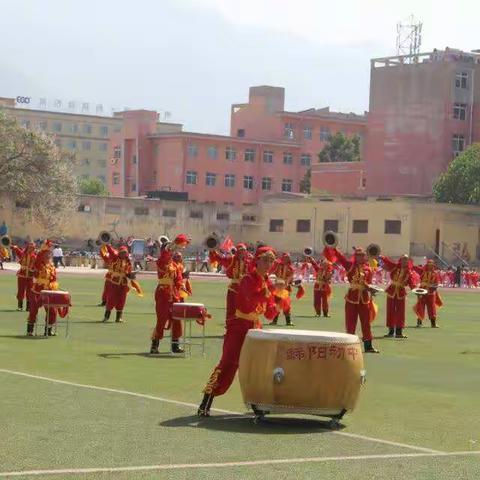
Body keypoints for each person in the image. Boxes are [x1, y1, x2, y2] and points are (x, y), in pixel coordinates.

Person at [198, 246, 277, 417]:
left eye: (271, 261)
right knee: (228, 364)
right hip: (239, 327)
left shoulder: (267, 283)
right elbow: (246, 304)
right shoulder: (247, 280)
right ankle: (207, 399)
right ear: (256, 261)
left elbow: (269, 314)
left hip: (256, 329)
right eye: (265, 260)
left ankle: (257, 403)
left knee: (257, 366)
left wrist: (279, 301)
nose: (268, 264)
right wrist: (268, 292)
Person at [324, 245, 379, 353]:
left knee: (366, 323)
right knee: (350, 323)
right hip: (351, 298)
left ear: (365, 257)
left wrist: (371, 289)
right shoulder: (350, 266)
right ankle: (348, 346)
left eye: (362, 255)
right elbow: (340, 257)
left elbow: (368, 283)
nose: (360, 257)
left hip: (364, 299)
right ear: (355, 256)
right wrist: (334, 248)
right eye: (358, 255)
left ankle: (368, 346)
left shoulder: (368, 269)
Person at [150, 234, 190, 355]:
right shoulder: (162, 261)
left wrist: (182, 285)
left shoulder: (175, 265)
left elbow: (177, 279)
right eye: (170, 250)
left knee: (177, 319)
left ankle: (175, 345)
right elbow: (166, 253)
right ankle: (154, 345)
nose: (172, 252)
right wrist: (175, 243)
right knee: (161, 320)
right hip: (163, 293)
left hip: (174, 294)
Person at [26, 241, 67, 336]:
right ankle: (30, 330)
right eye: (47, 254)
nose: (48, 255)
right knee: (33, 311)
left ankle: (48, 331)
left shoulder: (52, 265)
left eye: (49, 254)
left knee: (52, 311)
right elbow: (38, 258)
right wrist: (44, 248)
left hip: (49, 291)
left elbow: (54, 278)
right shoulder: (38, 264)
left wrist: (54, 285)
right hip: (38, 291)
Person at [209, 243, 251, 322]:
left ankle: (241, 327)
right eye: (241, 251)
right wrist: (212, 249)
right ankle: (230, 327)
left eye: (244, 251)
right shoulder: (231, 259)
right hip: (234, 288)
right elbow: (219, 259)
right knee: (232, 308)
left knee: (244, 309)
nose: (242, 253)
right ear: (237, 251)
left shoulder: (248, 261)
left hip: (245, 289)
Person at [380, 254, 416, 338]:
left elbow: (411, 283)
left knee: (400, 312)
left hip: (401, 292)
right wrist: (381, 256)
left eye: (406, 260)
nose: (405, 261)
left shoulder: (409, 272)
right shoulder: (395, 266)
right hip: (391, 291)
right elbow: (387, 261)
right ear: (400, 260)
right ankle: (391, 331)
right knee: (390, 311)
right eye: (403, 259)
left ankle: (399, 332)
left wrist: (416, 291)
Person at [102, 244, 133, 323]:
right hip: (114, 282)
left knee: (122, 300)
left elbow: (128, 272)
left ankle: (118, 318)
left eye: (125, 253)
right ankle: (106, 317)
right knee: (111, 299)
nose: (123, 254)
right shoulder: (115, 258)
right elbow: (111, 251)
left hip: (123, 283)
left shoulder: (128, 262)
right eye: (122, 252)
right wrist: (107, 244)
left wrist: (130, 275)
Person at [413, 259, 443, 328]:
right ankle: (419, 323)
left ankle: (433, 323)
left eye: (431, 265)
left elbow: (436, 285)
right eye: (429, 265)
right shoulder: (422, 271)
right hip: (422, 293)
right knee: (420, 307)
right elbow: (415, 268)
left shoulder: (435, 274)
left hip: (431, 294)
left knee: (432, 309)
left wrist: (431, 286)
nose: (430, 267)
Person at [268, 253, 295, 326]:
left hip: (286, 288)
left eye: (287, 258)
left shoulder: (291, 268)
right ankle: (274, 321)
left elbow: (291, 277)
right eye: (285, 257)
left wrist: (288, 282)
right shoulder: (277, 265)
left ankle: (288, 321)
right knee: (276, 303)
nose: (286, 259)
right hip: (277, 287)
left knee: (286, 304)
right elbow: (271, 271)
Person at [11, 242, 37, 311]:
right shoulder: (23, 254)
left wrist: (34, 271)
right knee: (21, 290)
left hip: (30, 276)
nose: (30, 249)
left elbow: (37, 266)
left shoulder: (34, 257)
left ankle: (28, 307)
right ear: (27, 248)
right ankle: (20, 306)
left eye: (32, 248)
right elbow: (17, 250)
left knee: (30, 292)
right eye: (29, 247)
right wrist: (14, 247)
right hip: (22, 275)